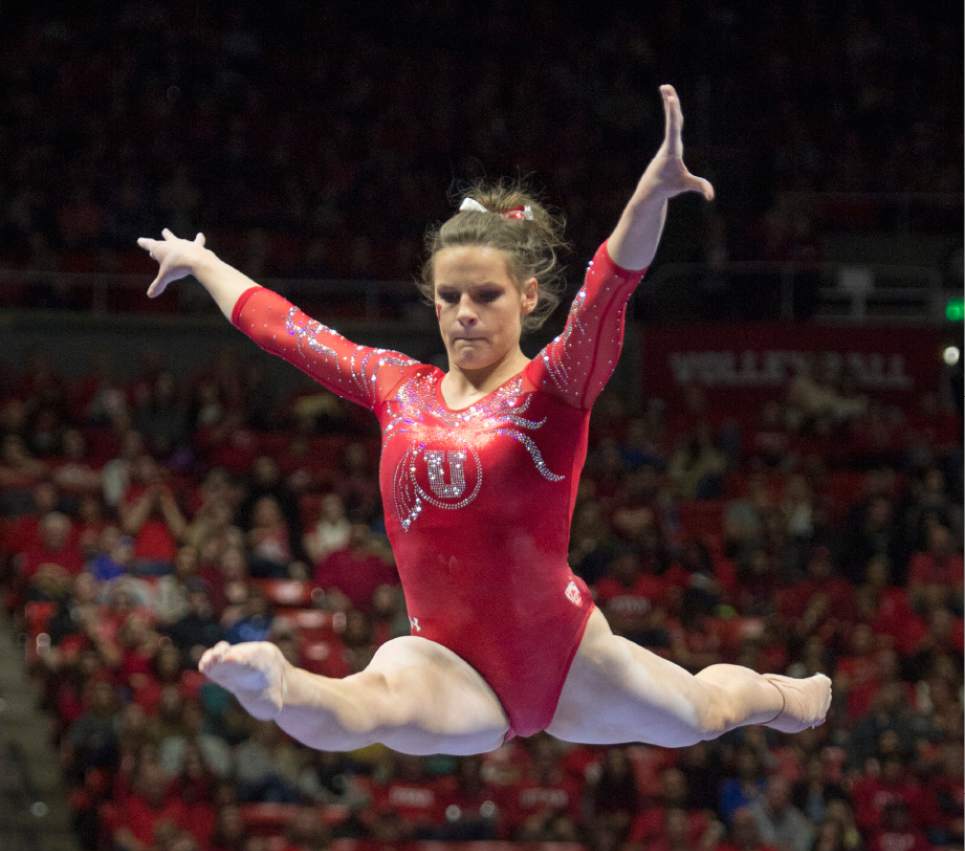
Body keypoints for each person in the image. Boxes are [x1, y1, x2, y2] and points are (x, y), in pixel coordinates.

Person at [138, 85, 831, 756]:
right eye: (449, 296)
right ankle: (276, 684)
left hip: (563, 659)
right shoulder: (397, 387)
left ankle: (782, 696)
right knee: (370, 703)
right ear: (432, 303)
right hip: (443, 660)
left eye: (486, 294)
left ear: (527, 297)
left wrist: (649, 196)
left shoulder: (553, 388)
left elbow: (605, 294)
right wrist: (202, 261)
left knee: (702, 714)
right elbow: (288, 331)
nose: (465, 310)